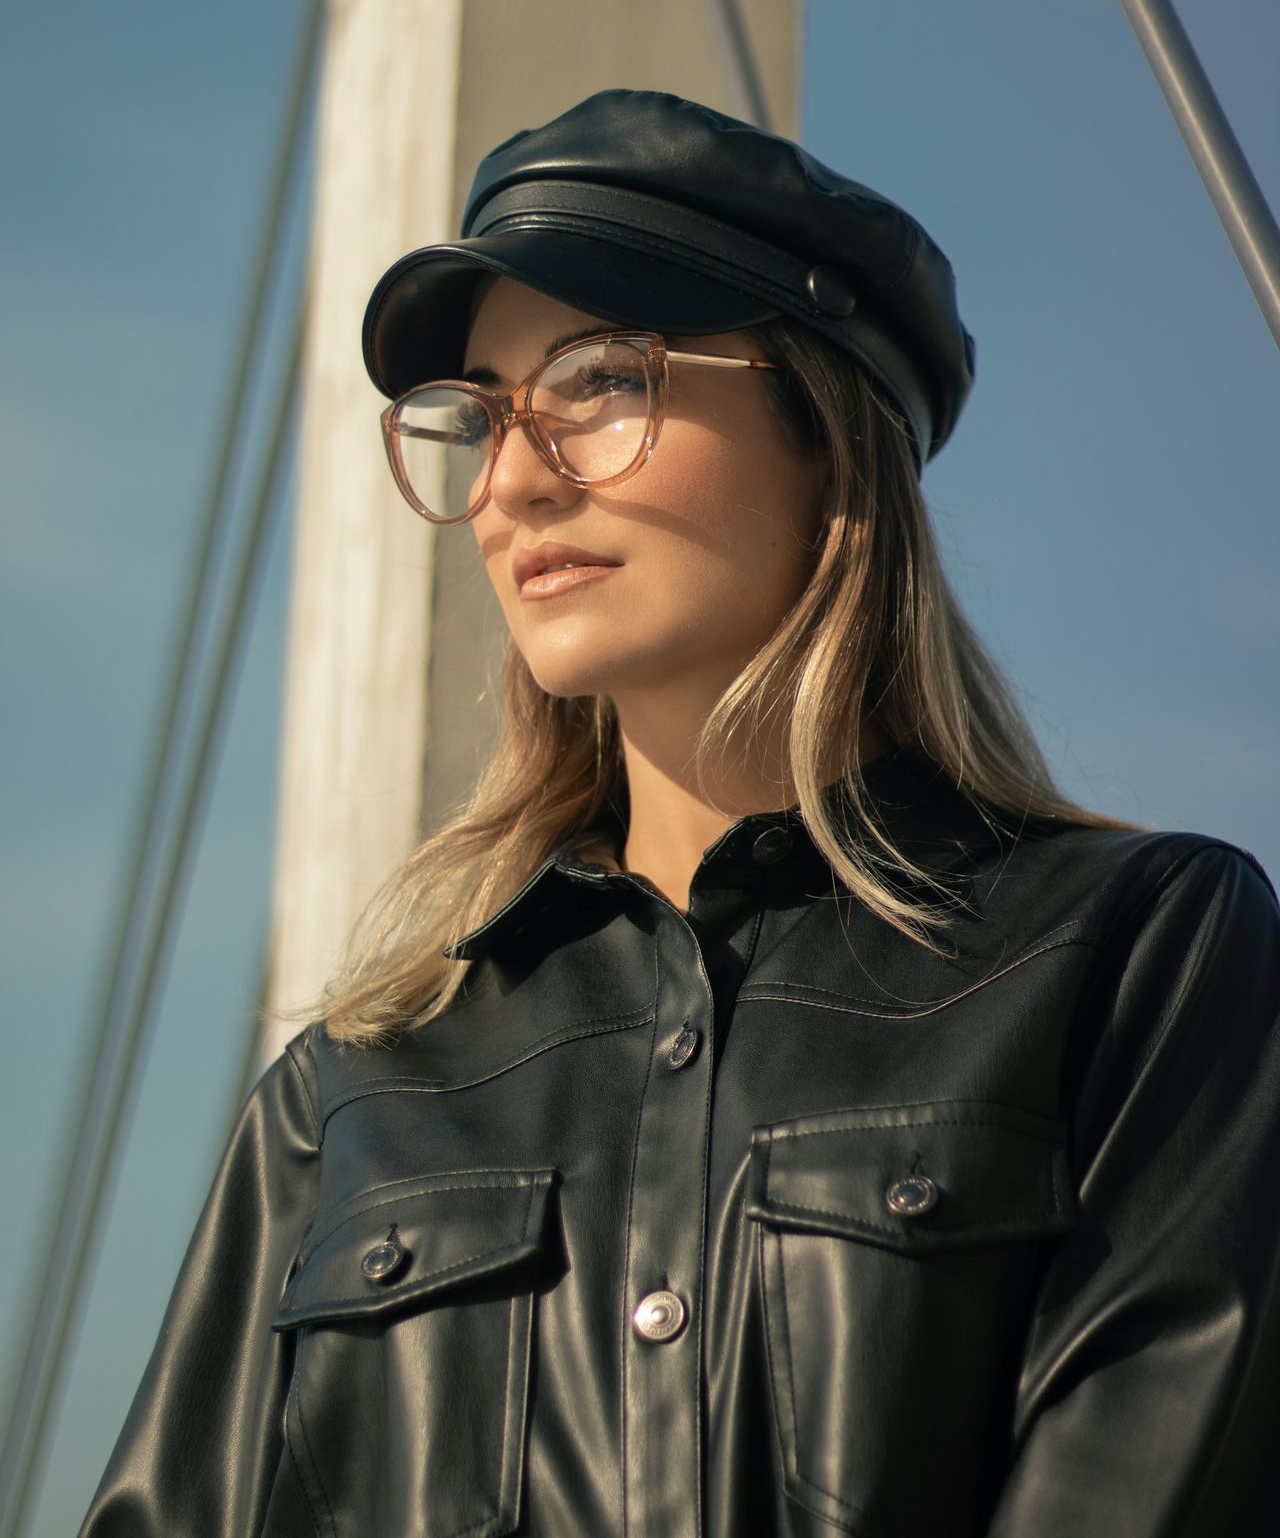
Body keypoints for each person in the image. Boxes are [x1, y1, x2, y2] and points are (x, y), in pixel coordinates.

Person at [82, 89, 1279, 1537]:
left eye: (598, 379)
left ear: (829, 434)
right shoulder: (352, 1093)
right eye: (478, 418)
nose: (513, 481)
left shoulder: (1139, 961)